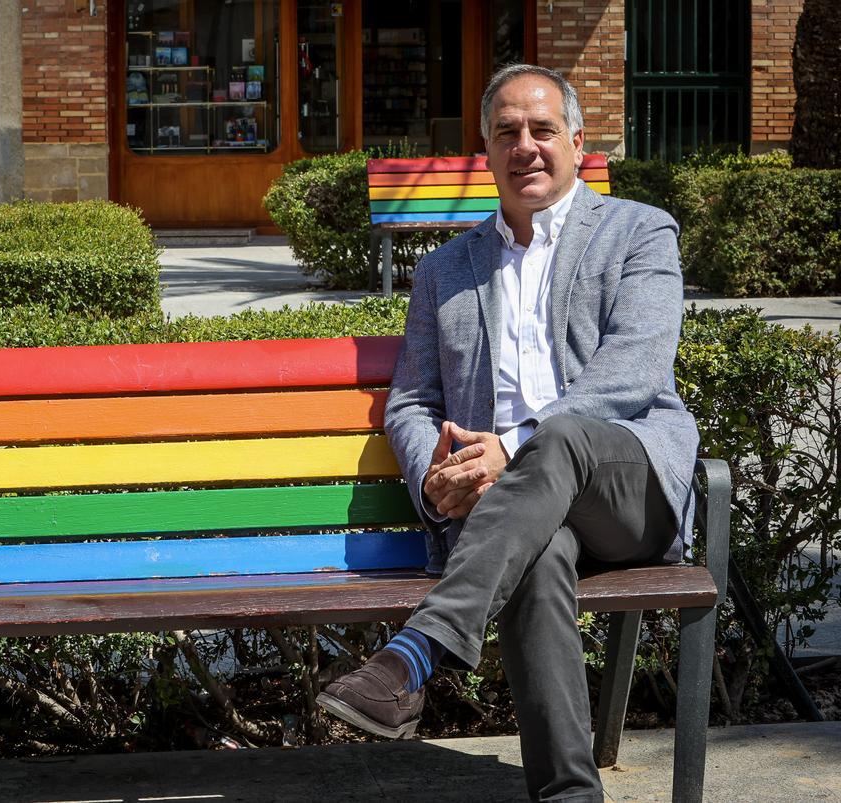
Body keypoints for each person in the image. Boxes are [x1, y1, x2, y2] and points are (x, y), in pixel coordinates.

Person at [316, 63, 699, 802]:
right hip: (515, 513)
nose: (526, 146)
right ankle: (568, 795)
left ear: (578, 142)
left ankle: (411, 656)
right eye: (507, 133)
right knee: (538, 546)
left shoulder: (638, 232)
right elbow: (411, 400)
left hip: (626, 490)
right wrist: (437, 474)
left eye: (543, 129)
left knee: (554, 442)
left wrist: (513, 446)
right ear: (485, 152)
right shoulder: (443, 272)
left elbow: (635, 371)